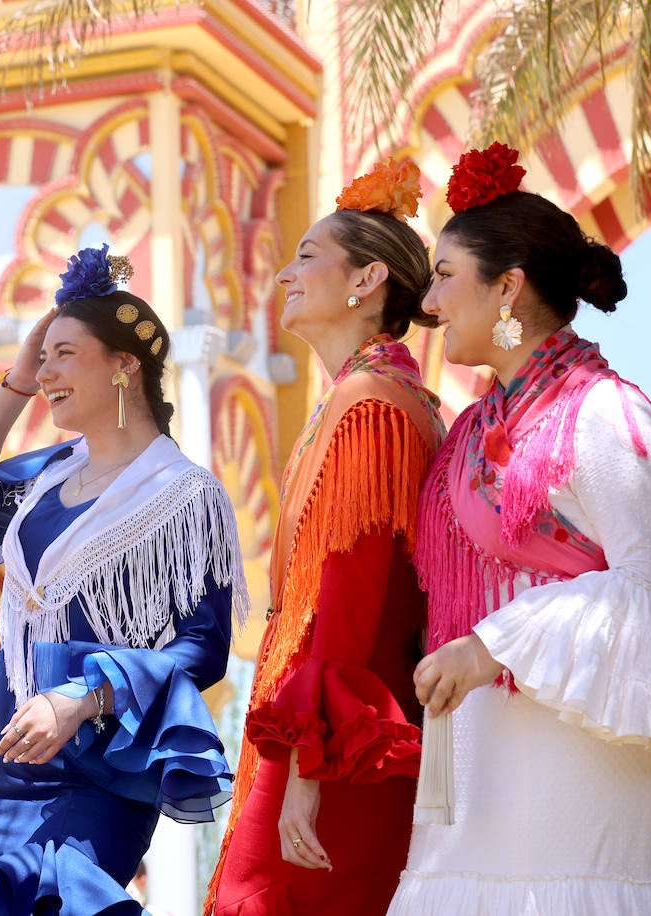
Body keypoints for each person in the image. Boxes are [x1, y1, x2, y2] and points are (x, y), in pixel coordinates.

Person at [386, 143, 651, 913]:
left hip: (586, 738)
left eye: (445, 275)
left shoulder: (606, 412)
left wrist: (493, 645)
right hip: (480, 747)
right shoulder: (468, 433)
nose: (431, 303)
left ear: (507, 287)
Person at [0, 244, 247, 914]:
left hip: (101, 755)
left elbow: (203, 650)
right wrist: (16, 380)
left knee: (63, 898)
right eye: (43, 357)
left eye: (64, 354)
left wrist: (81, 697)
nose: (47, 373)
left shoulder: (186, 495)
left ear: (124, 364)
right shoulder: (50, 477)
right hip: (9, 749)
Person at [207, 159, 445, 915]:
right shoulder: (374, 395)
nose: (284, 273)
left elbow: (350, 600)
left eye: (307, 255)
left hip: (340, 749)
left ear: (366, 279)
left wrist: (306, 774)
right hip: (332, 733)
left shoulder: (370, 402)